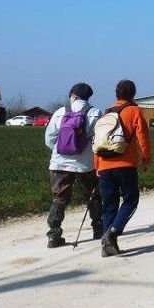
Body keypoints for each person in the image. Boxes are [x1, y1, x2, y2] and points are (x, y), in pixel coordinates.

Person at [96, 79, 151, 256]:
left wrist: (97, 165)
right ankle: (113, 232)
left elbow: (97, 142)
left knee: (109, 205)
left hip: (104, 166)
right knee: (130, 200)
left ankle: (107, 246)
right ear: (133, 94)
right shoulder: (134, 111)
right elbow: (143, 136)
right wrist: (146, 159)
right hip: (126, 165)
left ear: (116, 94)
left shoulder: (106, 113)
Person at [43, 82, 102, 248]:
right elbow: (99, 138)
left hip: (59, 163)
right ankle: (98, 228)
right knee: (92, 195)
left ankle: (54, 235)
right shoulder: (95, 113)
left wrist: (61, 149)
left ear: (73, 95)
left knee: (59, 198)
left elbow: (49, 138)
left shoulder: (61, 112)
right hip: (85, 164)